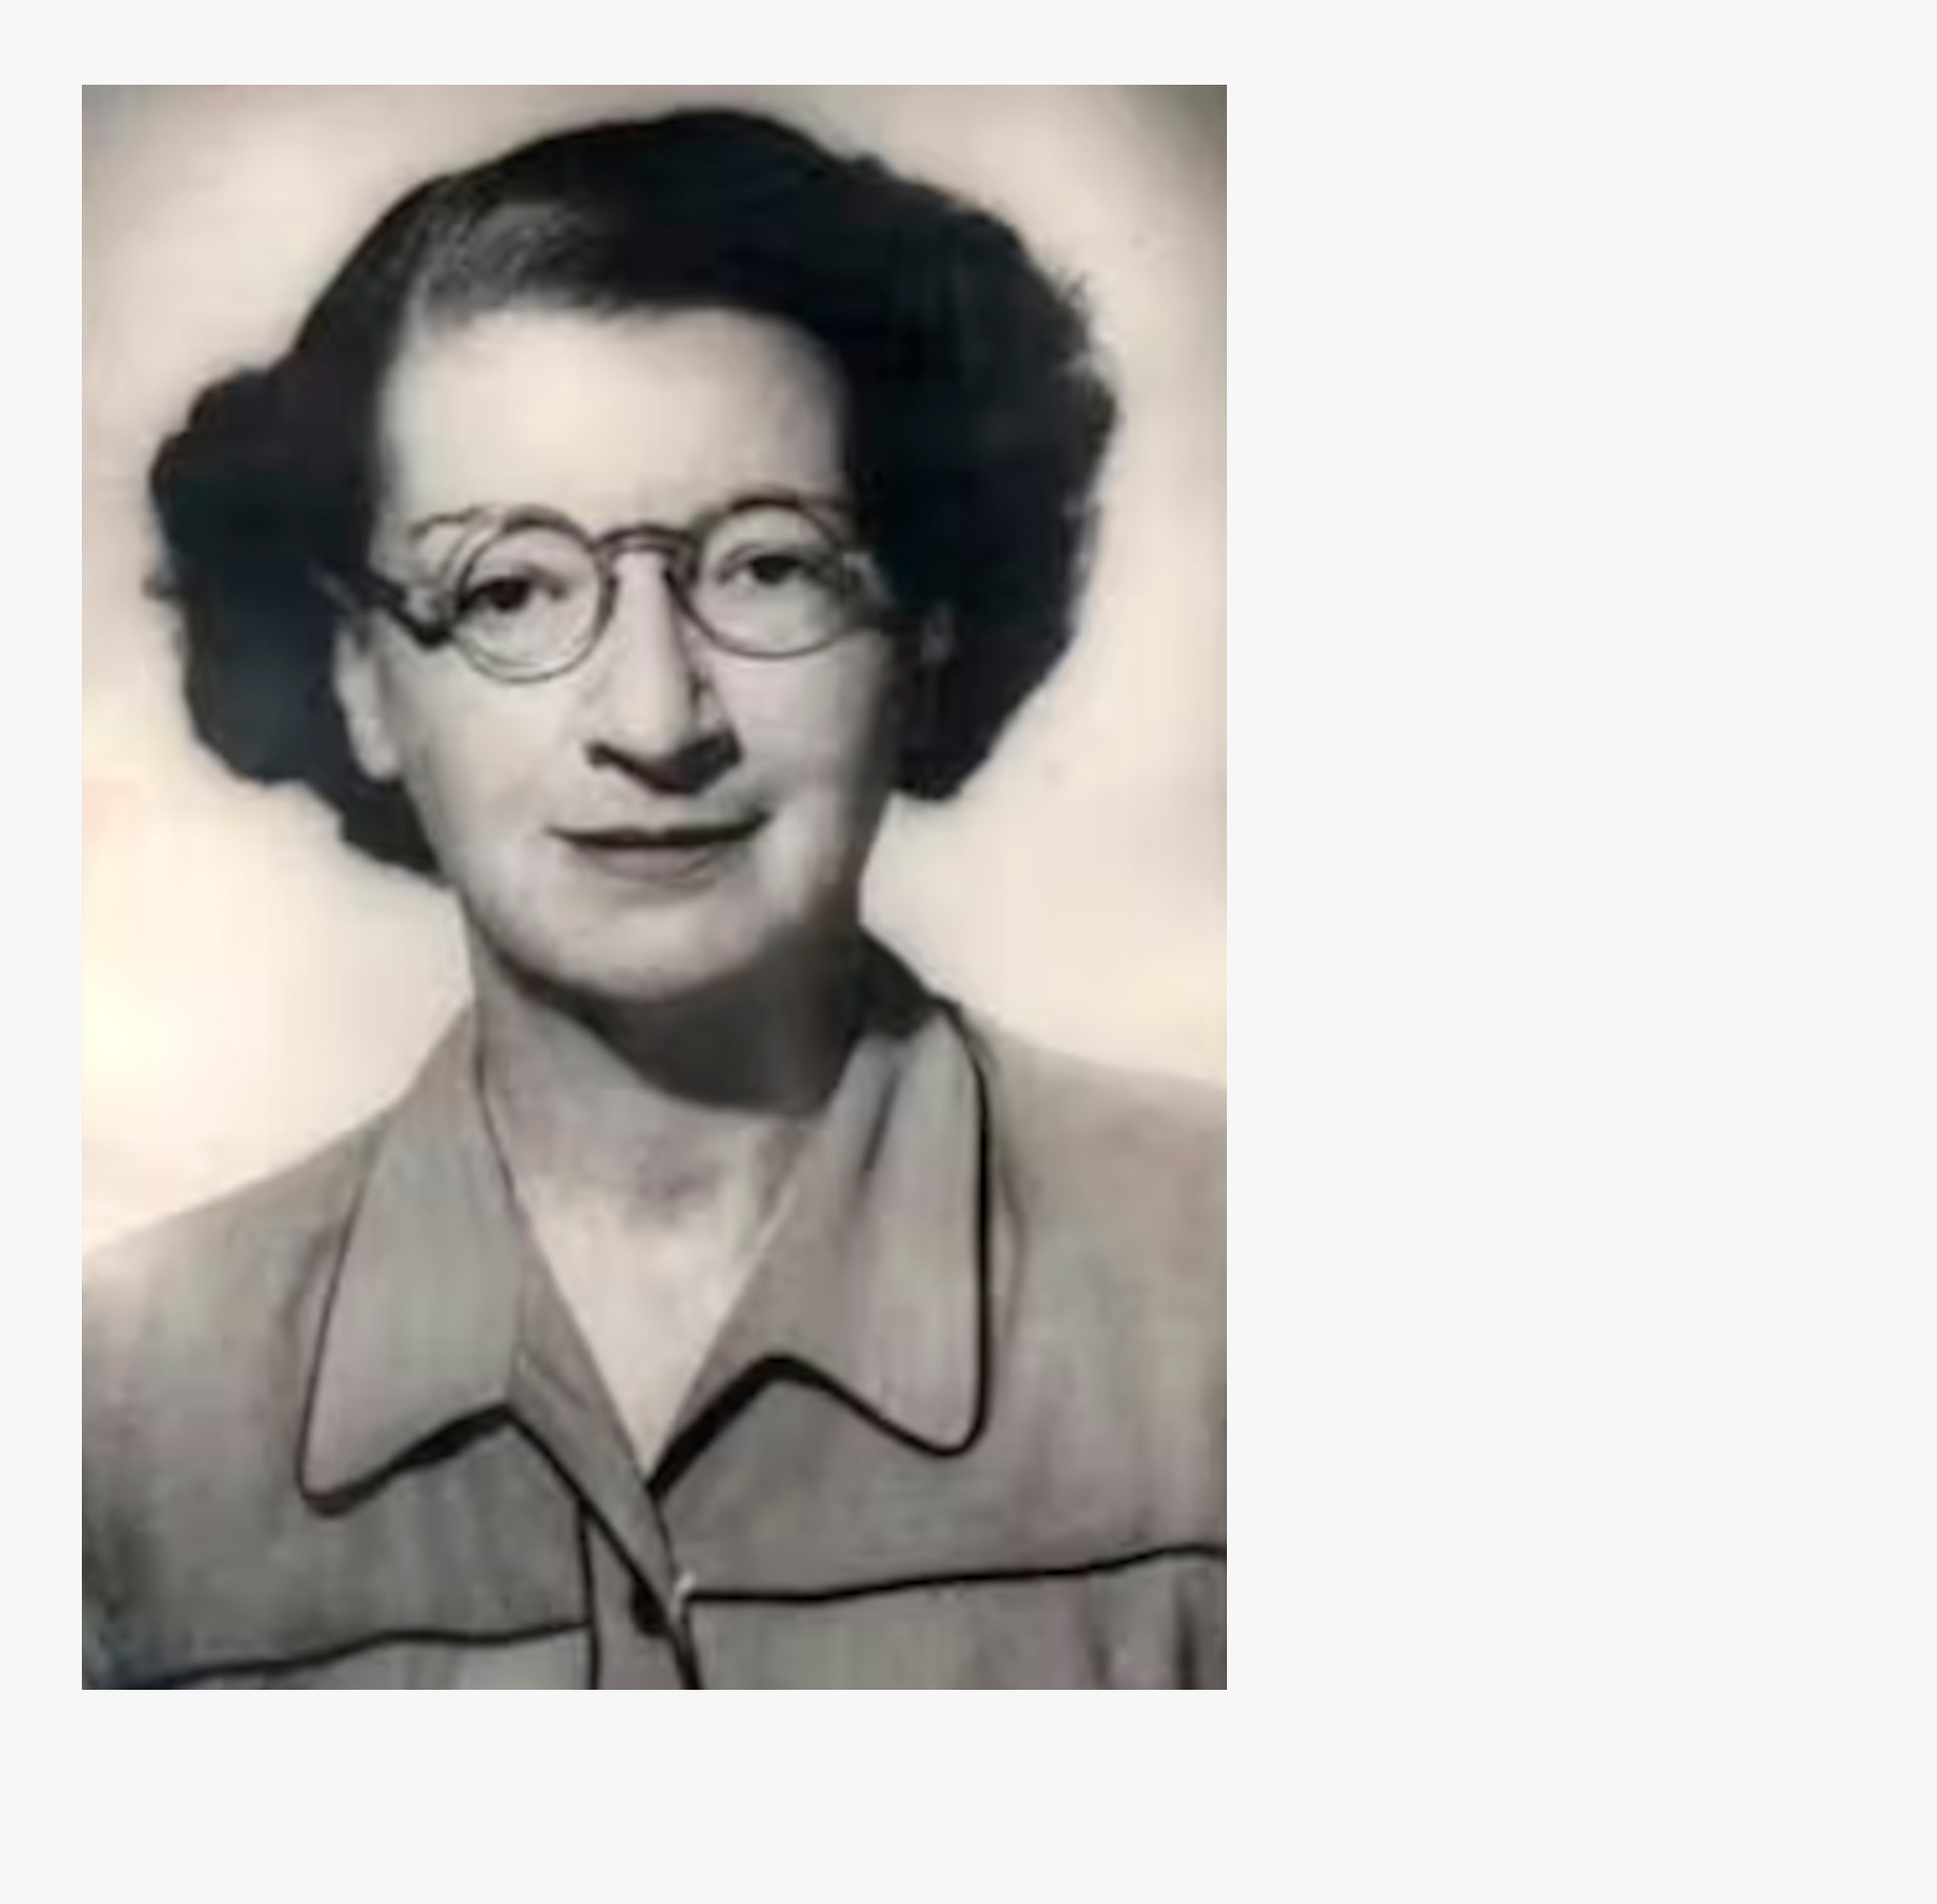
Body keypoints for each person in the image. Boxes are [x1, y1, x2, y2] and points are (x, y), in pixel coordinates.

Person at [83, 108, 1223, 1688]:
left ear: (931, 627)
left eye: (769, 565)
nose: (656, 717)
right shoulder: (106, 1423)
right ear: (360, 679)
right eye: (510, 589)